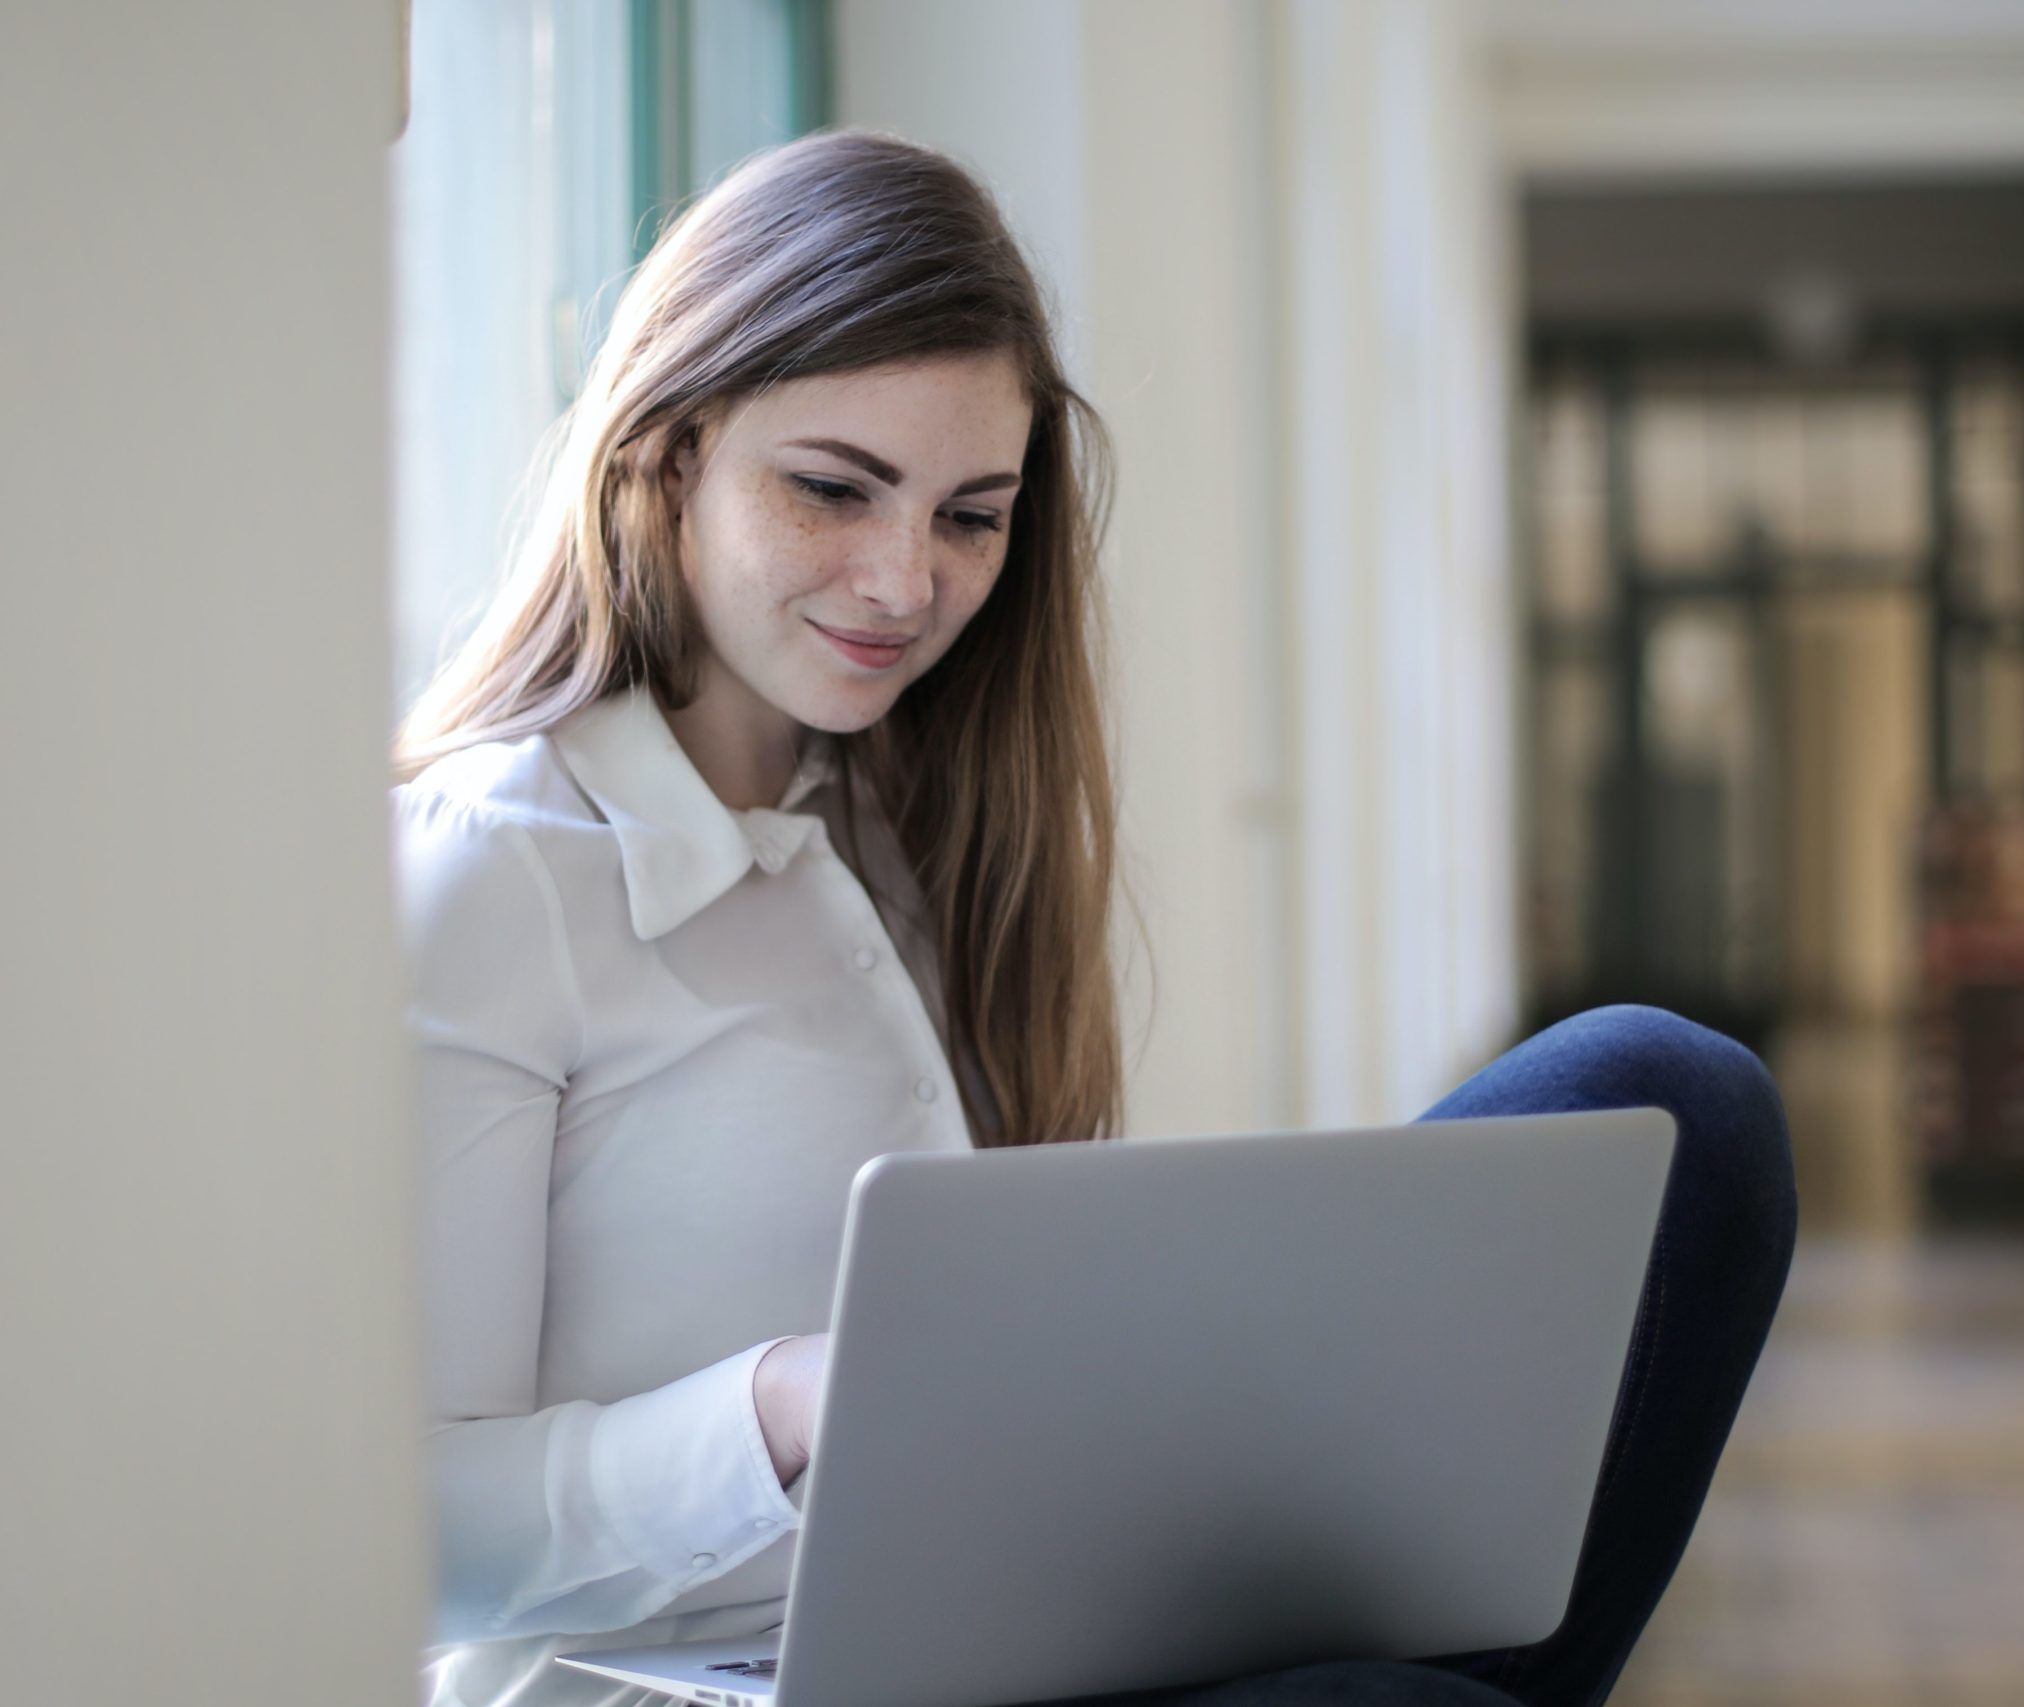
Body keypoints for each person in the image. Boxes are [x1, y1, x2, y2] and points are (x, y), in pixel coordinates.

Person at [394, 128, 1796, 1707]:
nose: (903, 582)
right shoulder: (488, 872)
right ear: (666, 459)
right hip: (706, 1686)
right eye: (831, 490)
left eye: (970, 516)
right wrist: (784, 1404)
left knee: (1685, 1104)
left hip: (1018, 1627)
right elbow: (401, 1532)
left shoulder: (903, 833)